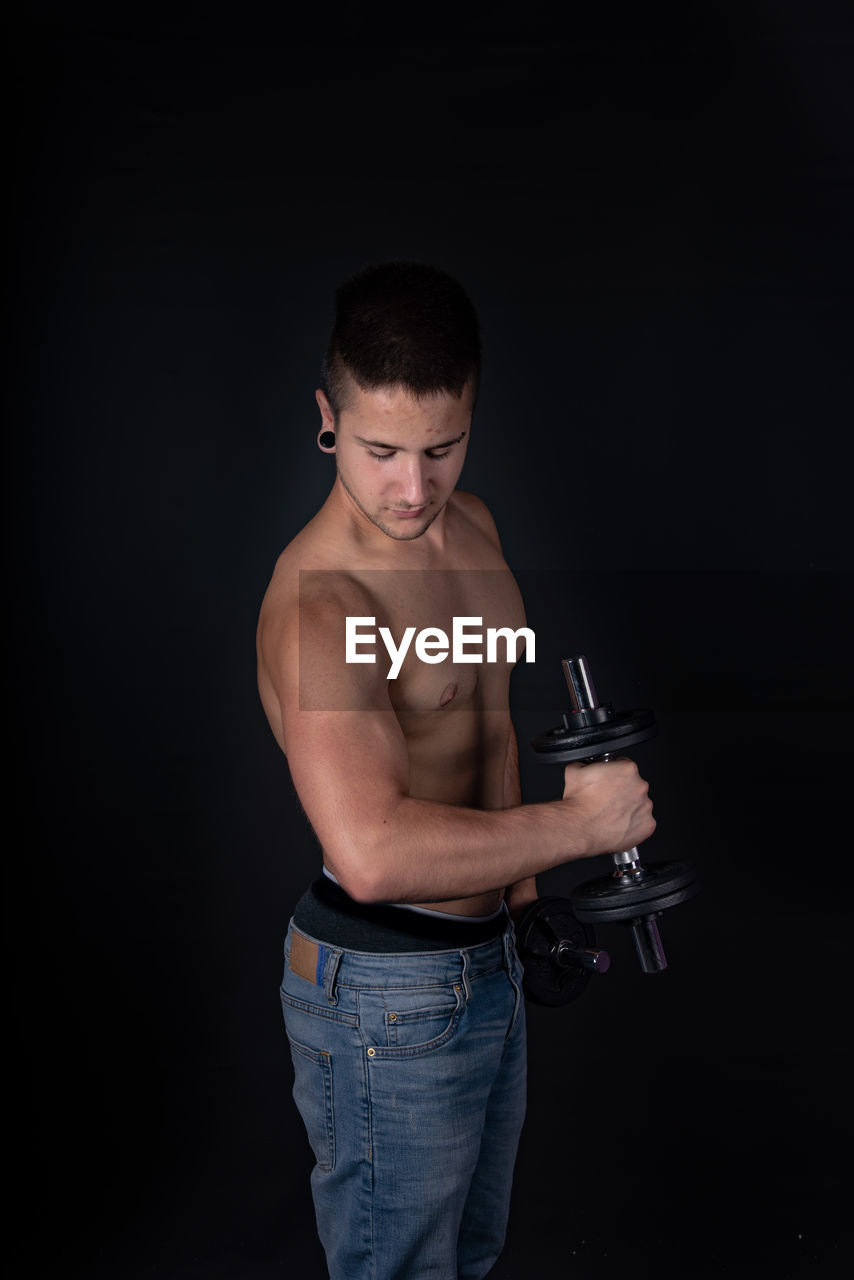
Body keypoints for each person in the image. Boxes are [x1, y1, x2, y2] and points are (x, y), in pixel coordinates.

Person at [256, 261, 655, 1279]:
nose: (412, 486)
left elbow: (484, 725)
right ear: (326, 417)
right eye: (381, 449)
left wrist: (524, 900)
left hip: (487, 962)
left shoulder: (469, 524)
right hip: (384, 987)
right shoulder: (323, 607)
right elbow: (374, 850)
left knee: (464, 1259)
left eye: (441, 446)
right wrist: (582, 828)